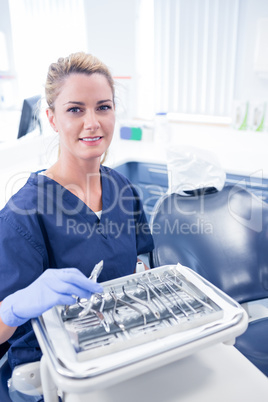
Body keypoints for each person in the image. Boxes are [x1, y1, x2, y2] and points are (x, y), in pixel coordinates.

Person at [0, 52, 154, 400]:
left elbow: (139, 262)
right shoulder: (23, 213)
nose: (92, 122)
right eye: (75, 110)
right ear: (52, 119)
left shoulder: (122, 189)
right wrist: (14, 307)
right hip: (51, 375)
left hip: (122, 351)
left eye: (103, 107)